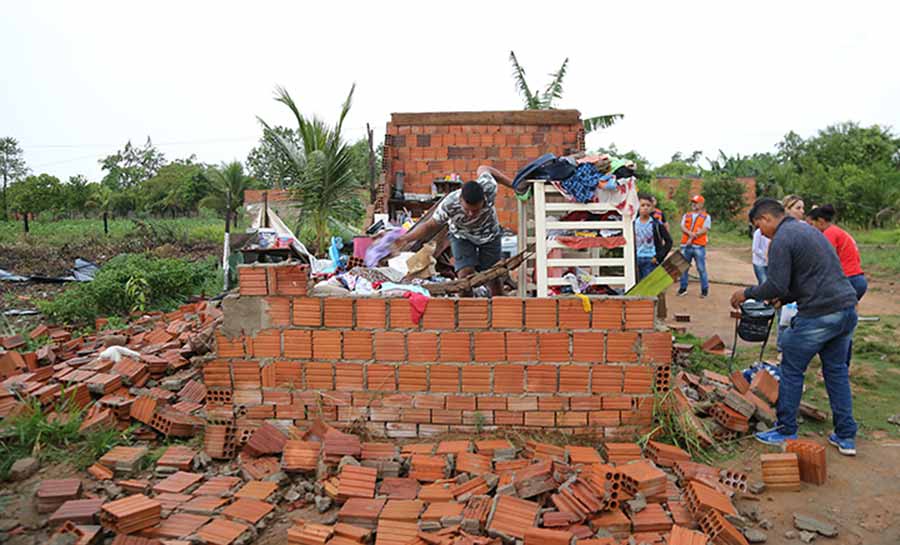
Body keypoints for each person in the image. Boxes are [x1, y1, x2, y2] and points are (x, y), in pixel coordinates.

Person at [730, 198, 860, 455]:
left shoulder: (782, 239)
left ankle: (786, 428)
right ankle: (846, 437)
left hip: (820, 314)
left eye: (759, 226)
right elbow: (810, 277)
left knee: (791, 367)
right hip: (846, 309)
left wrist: (745, 293)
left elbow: (776, 284)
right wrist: (786, 298)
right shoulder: (807, 230)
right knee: (836, 372)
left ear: (766, 219)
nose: (761, 232)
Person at [393, 165, 512, 296]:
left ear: (483, 200)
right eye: (467, 210)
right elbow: (429, 225)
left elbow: (484, 168)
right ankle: (465, 311)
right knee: (465, 277)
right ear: (460, 200)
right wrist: (405, 238)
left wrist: (515, 185)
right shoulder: (449, 204)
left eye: (476, 210)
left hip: (490, 235)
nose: (471, 214)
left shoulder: (489, 187)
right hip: (462, 236)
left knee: (493, 275)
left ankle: (500, 310)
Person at [807, 204, 866, 301]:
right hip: (856, 278)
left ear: (821, 222)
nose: (810, 229)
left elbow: (825, 259)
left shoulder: (829, 233)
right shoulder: (837, 231)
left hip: (848, 280)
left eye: (812, 225)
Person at [634, 193, 673, 281]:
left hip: (651, 259)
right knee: (636, 287)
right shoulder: (633, 224)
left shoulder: (657, 224)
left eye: (648, 205)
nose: (645, 208)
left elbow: (669, 241)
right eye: (642, 205)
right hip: (636, 259)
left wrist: (659, 257)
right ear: (638, 207)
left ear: (652, 208)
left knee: (649, 286)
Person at [677, 195, 711, 297]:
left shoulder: (706, 216)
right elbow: (682, 227)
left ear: (701, 204)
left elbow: (705, 229)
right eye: (693, 202)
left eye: (696, 202)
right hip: (685, 245)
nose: (694, 204)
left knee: (701, 268)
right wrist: (690, 234)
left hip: (698, 246)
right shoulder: (686, 215)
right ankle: (683, 288)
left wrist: (692, 236)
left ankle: (704, 289)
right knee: (683, 268)